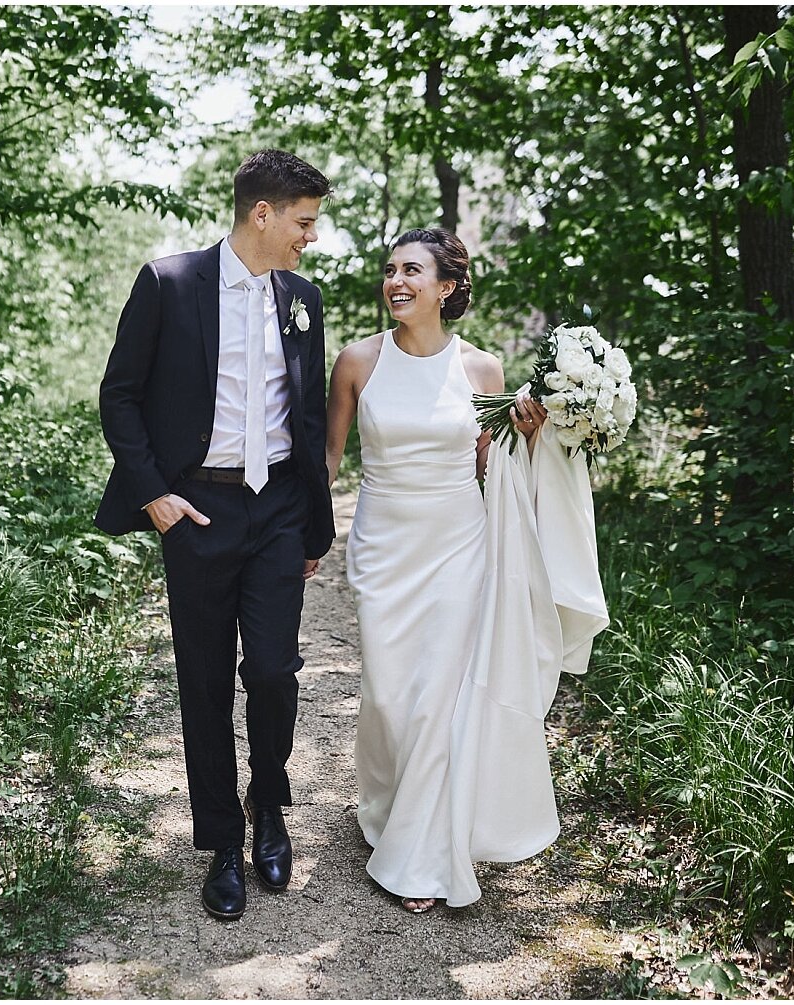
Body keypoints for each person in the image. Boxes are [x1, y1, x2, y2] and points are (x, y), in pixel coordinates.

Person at [325, 228, 602, 914]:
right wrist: (295, 535)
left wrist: (533, 431)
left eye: (411, 270)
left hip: (458, 543)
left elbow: (489, 462)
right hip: (384, 543)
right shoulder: (357, 361)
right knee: (391, 696)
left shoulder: (481, 369)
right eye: (390, 268)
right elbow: (327, 459)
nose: (396, 280)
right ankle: (387, 809)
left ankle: (422, 854)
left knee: (438, 697)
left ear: (445, 287)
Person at [95, 150, 336, 921]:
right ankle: (223, 840)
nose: (310, 238)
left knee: (271, 669)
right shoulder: (169, 283)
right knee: (203, 679)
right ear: (261, 214)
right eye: (303, 223)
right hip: (197, 508)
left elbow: (303, 414)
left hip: (277, 512)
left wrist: (310, 517)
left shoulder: (303, 298)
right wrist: (155, 494)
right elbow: (120, 395)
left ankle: (270, 802)